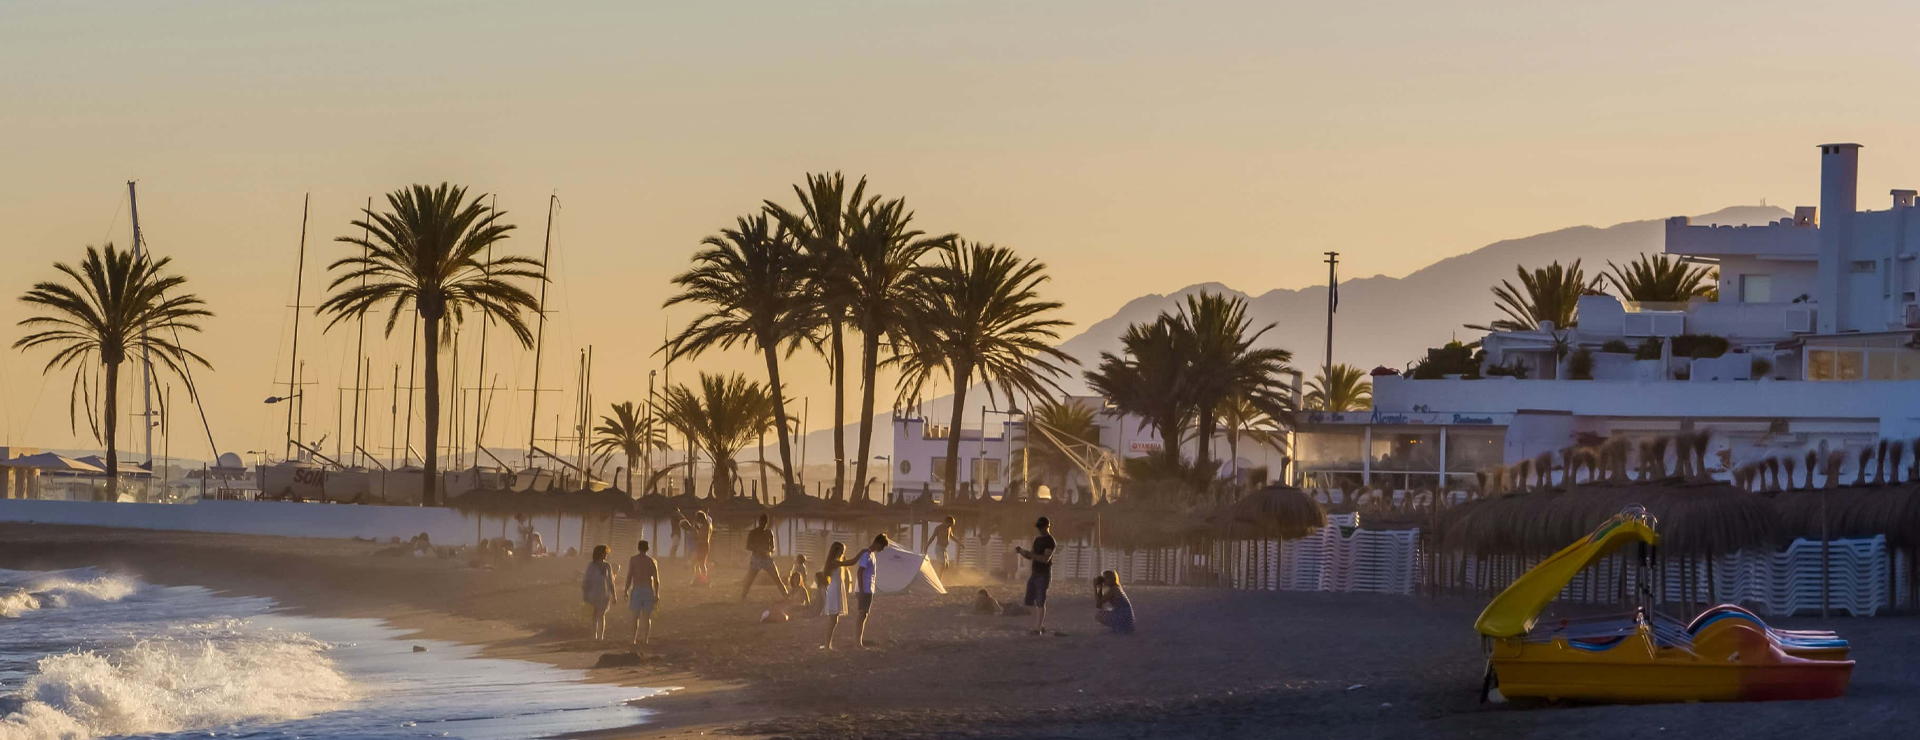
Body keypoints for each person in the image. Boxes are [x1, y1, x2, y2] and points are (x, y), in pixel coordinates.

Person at [835, 534, 888, 649]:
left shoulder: (871, 555)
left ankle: (858, 642)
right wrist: (862, 589)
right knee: (861, 615)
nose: (882, 550)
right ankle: (857, 643)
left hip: (868, 589)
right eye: (882, 547)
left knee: (864, 615)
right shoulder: (866, 555)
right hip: (865, 589)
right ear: (878, 543)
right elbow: (860, 572)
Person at [1013, 516, 1056, 635]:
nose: (1040, 529)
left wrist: (1030, 555)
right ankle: (1040, 625)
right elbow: (1030, 555)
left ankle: (1037, 628)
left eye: (1041, 527)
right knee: (1028, 601)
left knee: (1040, 601)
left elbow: (1046, 559)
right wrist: (1022, 552)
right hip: (1035, 573)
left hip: (1044, 573)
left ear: (1047, 526)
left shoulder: (1050, 541)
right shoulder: (1037, 540)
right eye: (1039, 527)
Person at [740, 514, 791, 601]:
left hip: (767, 558)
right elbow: (748, 546)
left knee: (776, 578)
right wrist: (757, 549)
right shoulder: (753, 533)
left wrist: (767, 550)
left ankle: (785, 595)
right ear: (759, 522)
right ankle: (743, 597)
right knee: (750, 579)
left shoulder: (769, 533)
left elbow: (773, 547)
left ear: (766, 523)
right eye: (761, 523)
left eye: (764, 523)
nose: (763, 525)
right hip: (756, 558)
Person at [623, 539, 661, 646]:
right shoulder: (652, 561)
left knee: (635, 617)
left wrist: (626, 590)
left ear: (638, 548)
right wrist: (657, 593)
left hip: (637, 589)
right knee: (646, 617)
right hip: (648, 589)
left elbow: (629, 576)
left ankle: (633, 639)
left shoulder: (633, 560)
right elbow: (656, 579)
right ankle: (645, 638)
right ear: (647, 548)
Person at [582, 545, 617, 641]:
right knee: (594, 616)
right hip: (592, 594)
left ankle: (601, 637)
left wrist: (614, 595)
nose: (606, 555)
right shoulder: (591, 566)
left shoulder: (607, 566)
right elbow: (586, 580)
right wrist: (585, 595)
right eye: (605, 553)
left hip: (604, 594)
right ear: (600, 554)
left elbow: (611, 581)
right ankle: (594, 636)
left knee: (601, 615)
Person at [819, 542, 850, 649]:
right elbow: (851, 562)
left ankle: (828, 644)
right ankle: (827, 645)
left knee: (834, 620)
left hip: (835, 590)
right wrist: (861, 553)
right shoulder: (835, 563)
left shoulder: (834, 562)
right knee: (833, 620)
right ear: (835, 551)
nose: (842, 552)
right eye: (841, 550)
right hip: (834, 591)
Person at [678, 509, 713, 586]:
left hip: (702, 545)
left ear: (701, 518)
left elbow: (699, 537)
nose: (697, 520)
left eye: (697, 518)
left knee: (700, 564)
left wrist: (691, 530)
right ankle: (697, 580)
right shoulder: (707, 524)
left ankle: (703, 580)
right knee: (696, 563)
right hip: (703, 545)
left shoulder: (705, 525)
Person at [1093, 570, 1135, 634]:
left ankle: (1119, 628)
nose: (1103, 580)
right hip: (1128, 620)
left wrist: (1095, 588)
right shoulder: (1116, 588)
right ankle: (1119, 628)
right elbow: (1100, 604)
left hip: (1125, 619)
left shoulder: (1114, 590)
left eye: (1105, 578)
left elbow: (1098, 604)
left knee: (1099, 615)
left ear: (1111, 579)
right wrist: (1100, 587)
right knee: (1105, 610)